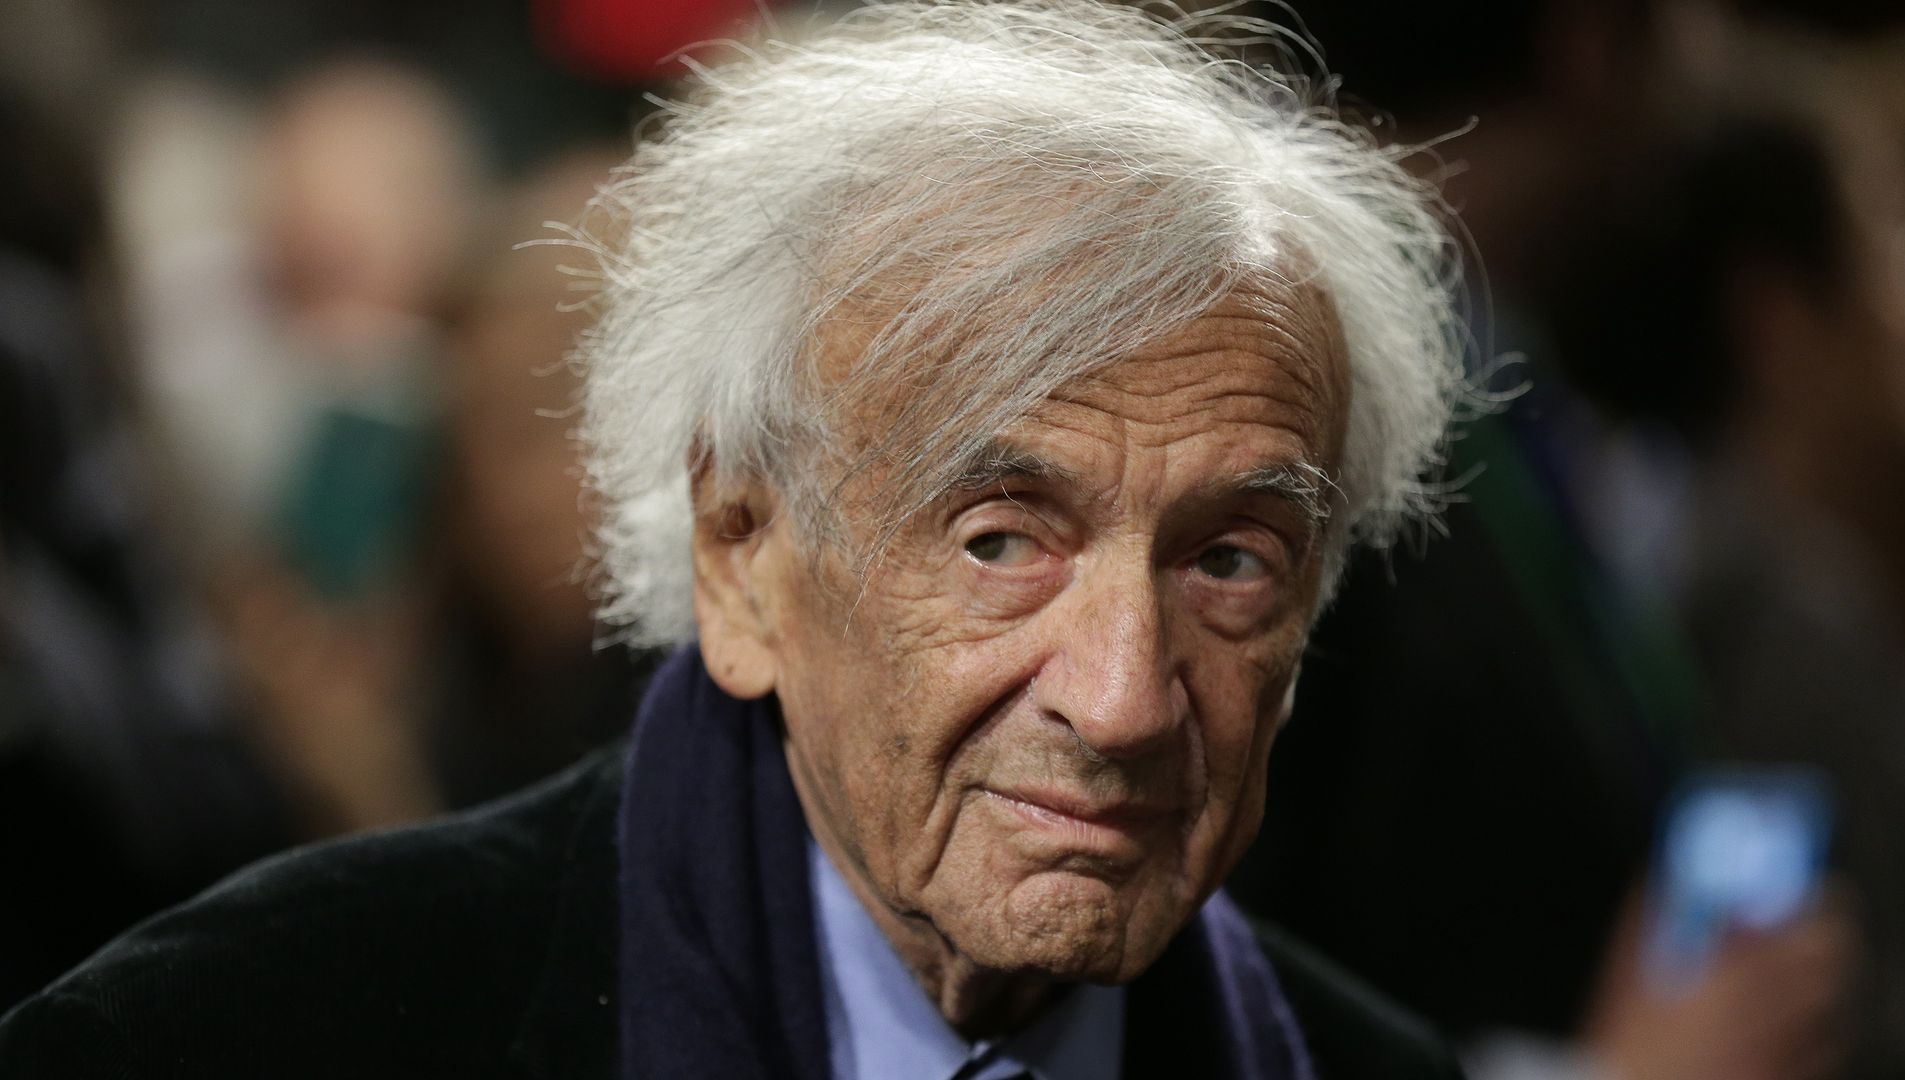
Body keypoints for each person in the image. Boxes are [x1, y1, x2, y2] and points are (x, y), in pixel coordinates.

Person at [0, 3, 1469, 1076]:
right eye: (1000, 541)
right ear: (741, 559)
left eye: (1228, 562)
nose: (1126, 697)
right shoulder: (232, 1044)